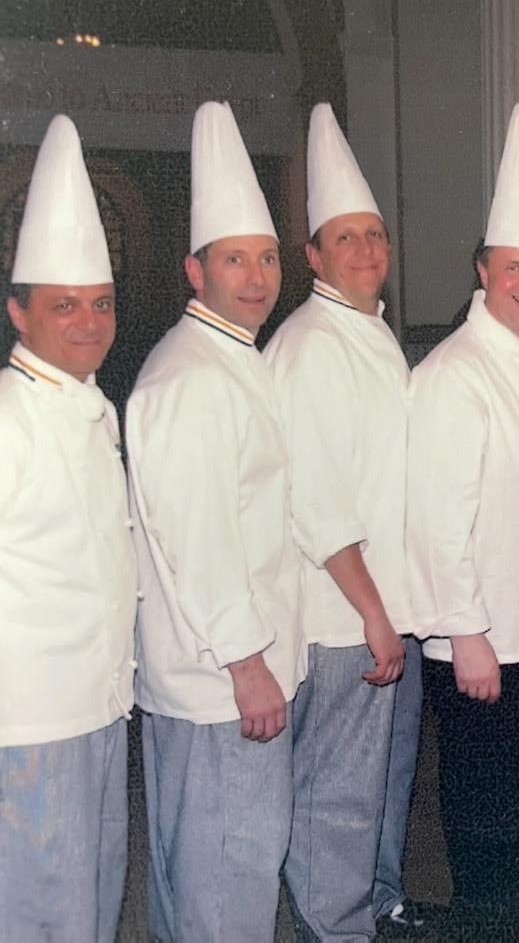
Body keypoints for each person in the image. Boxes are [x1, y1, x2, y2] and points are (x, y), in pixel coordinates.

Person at [127, 100, 307, 942]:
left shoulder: (233, 359)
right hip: (219, 680)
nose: (256, 275)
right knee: (228, 871)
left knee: (210, 870)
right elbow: (192, 538)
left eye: (267, 257)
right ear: (193, 271)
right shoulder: (192, 377)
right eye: (234, 259)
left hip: (228, 671)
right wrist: (246, 662)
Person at [407, 104, 519, 941]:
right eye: (513, 266)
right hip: (484, 637)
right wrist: (465, 631)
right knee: (484, 807)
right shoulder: (455, 374)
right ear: (482, 270)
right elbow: (436, 520)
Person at [264, 102, 431, 941]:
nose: (366, 250)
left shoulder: (372, 334)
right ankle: (338, 924)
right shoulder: (309, 345)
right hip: (344, 614)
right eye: (345, 238)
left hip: (390, 608)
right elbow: (318, 501)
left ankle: (380, 901)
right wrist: (372, 613)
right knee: (340, 783)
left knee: (384, 777)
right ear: (312, 256)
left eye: (375, 235)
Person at [0, 114, 137, 943]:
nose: (87, 322)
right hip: (30, 717)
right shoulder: (9, 420)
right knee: (42, 911)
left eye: (100, 304)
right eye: (63, 307)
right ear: (19, 314)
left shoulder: (96, 407)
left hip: (97, 705)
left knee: (90, 901)